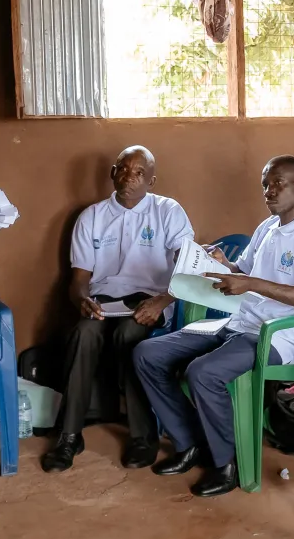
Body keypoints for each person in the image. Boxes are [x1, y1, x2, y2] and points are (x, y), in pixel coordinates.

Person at [133, 156, 294, 498]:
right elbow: (243, 273)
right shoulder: (267, 227)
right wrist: (222, 263)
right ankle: (190, 442)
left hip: (278, 334)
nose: (268, 191)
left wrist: (252, 284)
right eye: (265, 185)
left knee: (203, 373)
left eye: (277, 183)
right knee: (147, 353)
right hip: (239, 322)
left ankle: (227, 463)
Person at [43, 146, 193, 473]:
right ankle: (69, 435)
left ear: (152, 181)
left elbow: (188, 268)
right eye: (123, 170)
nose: (129, 178)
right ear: (113, 172)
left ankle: (143, 436)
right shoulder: (92, 217)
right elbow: (79, 279)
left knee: (129, 337)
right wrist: (82, 300)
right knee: (82, 334)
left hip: (150, 300)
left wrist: (163, 302)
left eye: (139, 173)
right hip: (104, 301)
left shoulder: (168, 212)